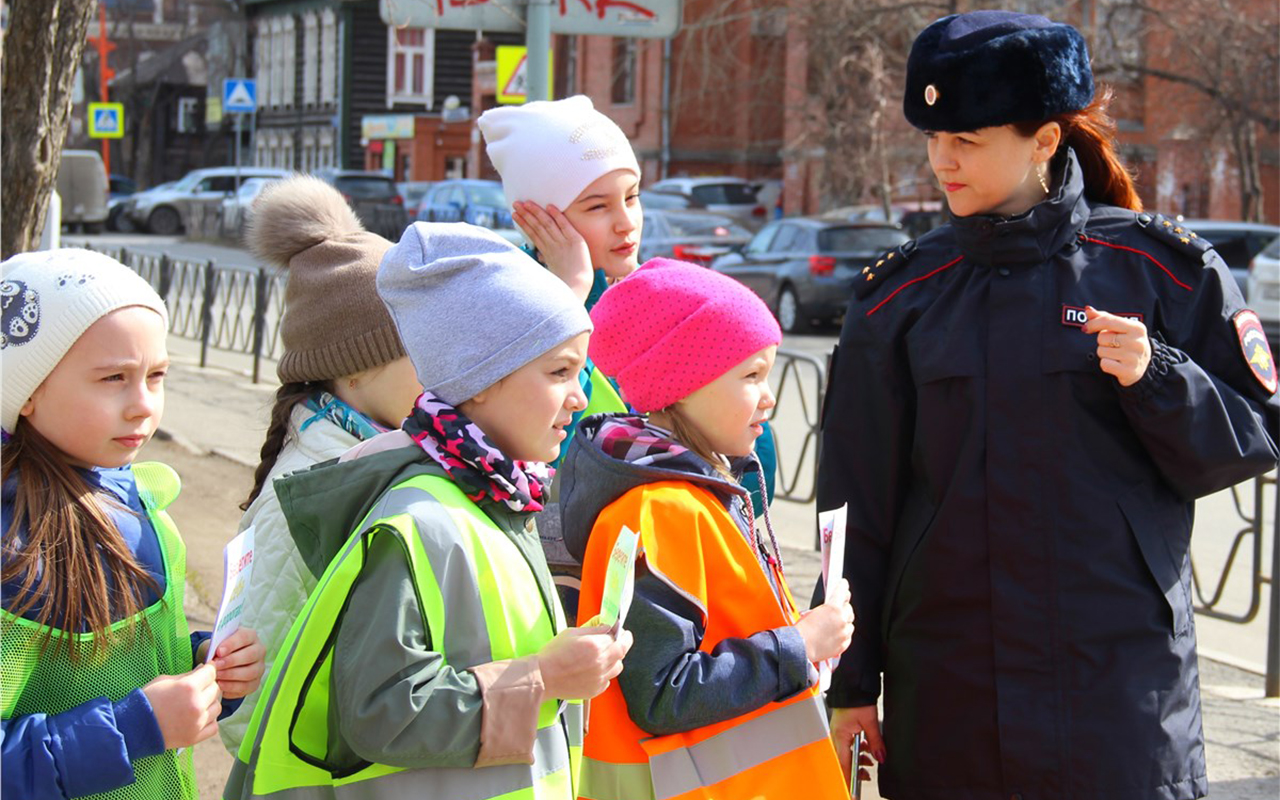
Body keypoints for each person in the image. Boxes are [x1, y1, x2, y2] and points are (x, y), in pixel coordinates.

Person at [817, 11, 1280, 799]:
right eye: (932, 139)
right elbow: (853, 508)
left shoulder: (1161, 271)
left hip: (1121, 691)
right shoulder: (898, 297)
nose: (941, 162)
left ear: (1044, 140)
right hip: (952, 687)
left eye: (966, 141)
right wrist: (850, 685)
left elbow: (1253, 436)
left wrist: (1158, 377)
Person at [224, 223, 632, 799]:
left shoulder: (498, 496)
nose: (581, 396)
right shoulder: (419, 518)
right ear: (481, 379)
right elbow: (379, 710)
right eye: (560, 371)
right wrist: (544, 679)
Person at [560, 258, 855, 800]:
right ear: (681, 386)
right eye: (750, 376)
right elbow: (661, 692)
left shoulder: (694, 496)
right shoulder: (661, 510)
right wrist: (800, 645)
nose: (769, 396)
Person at [479, 96, 779, 619]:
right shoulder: (510, 306)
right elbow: (536, 442)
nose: (626, 223)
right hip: (574, 586)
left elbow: (749, 447)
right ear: (537, 219)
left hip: (683, 561)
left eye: (633, 197)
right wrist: (570, 297)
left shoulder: (664, 296)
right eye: (597, 206)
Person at [1, 249, 265, 798]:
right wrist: (137, 726)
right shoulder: (13, 548)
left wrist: (203, 667)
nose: (143, 405)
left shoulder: (137, 495)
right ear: (26, 390)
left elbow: (124, 671)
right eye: (113, 378)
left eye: (157, 375)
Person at [219, 174, 421, 754]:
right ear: (353, 367)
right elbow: (244, 704)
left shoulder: (378, 452)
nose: (443, 370)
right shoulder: (312, 487)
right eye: (420, 350)